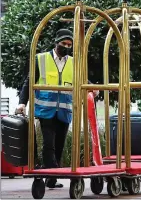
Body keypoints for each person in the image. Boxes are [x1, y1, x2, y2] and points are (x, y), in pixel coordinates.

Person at [16, 29, 98, 189]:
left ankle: (52, 178)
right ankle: (52, 173)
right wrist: (22, 102)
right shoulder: (41, 59)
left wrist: (92, 87)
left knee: (59, 144)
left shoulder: (74, 63)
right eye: (63, 43)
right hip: (46, 110)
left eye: (69, 44)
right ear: (56, 42)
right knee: (48, 144)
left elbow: (82, 80)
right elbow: (29, 82)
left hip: (65, 111)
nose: (66, 46)